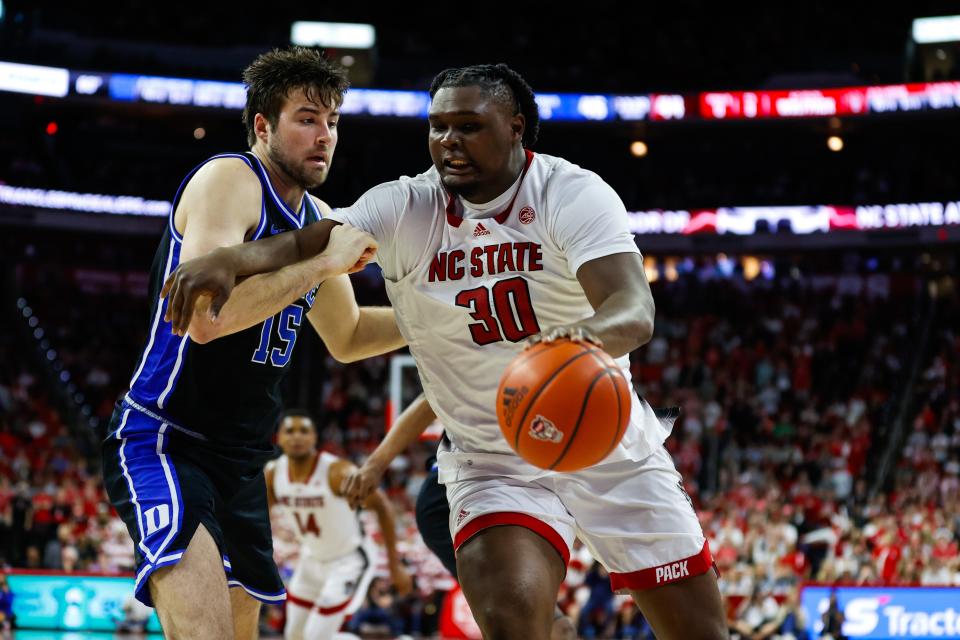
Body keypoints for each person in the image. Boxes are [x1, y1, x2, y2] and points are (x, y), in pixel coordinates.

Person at [160, 63, 729, 639]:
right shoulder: (407, 205)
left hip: (604, 440)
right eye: (437, 127)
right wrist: (234, 259)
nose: (448, 142)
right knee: (511, 615)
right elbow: (313, 238)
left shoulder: (571, 192)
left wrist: (584, 340)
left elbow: (635, 311)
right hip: (492, 458)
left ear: (516, 127)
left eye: (468, 126)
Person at [101, 47, 406, 640]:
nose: (324, 136)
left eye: (333, 122)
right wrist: (322, 266)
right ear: (263, 125)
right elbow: (205, 319)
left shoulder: (316, 216)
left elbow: (347, 337)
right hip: (167, 439)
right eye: (307, 118)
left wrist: (449, 320)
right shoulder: (230, 179)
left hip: (241, 461)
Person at [341, 394, 577, 640]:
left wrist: (376, 464)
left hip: (515, 464)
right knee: (518, 613)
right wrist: (376, 464)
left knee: (517, 613)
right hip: (477, 467)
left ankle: (551, 618)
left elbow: (430, 398)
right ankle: (552, 619)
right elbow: (432, 396)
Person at [266, 410, 413, 639]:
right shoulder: (274, 473)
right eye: (290, 431)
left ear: (315, 438)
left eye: (304, 431)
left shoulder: (336, 472)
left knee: (316, 636)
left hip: (348, 560)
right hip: (311, 558)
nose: (297, 437)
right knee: (294, 634)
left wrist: (395, 565)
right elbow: (258, 516)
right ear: (279, 438)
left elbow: (382, 506)